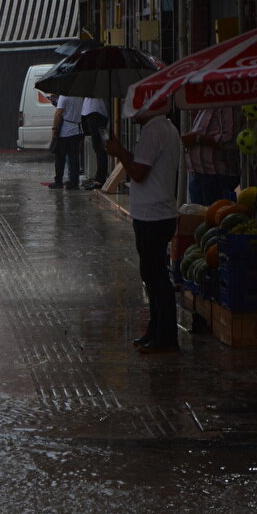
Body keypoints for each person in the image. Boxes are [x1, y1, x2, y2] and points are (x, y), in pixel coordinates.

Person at [107, 109, 182, 354]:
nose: (131, 111)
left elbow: (138, 173)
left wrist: (119, 153)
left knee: (156, 276)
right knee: (152, 275)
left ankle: (166, 337)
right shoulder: (166, 128)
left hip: (153, 215)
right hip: (157, 212)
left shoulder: (154, 131)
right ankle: (156, 328)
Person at [181, 106, 238, 205]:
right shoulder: (206, 106)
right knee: (198, 217)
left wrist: (197, 138)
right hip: (198, 176)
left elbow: (230, 139)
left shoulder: (226, 105)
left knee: (215, 217)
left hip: (217, 178)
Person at [48, 94, 84, 189]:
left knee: (60, 158)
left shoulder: (64, 96)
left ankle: (58, 181)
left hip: (65, 132)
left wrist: (54, 129)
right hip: (77, 130)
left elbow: (58, 113)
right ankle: (74, 182)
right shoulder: (80, 97)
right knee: (74, 159)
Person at [81, 98, 109, 189]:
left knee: (99, 148)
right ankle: (99, 177)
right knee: (97, 147)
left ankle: (100, 179)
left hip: (96, 112)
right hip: (92, 112)